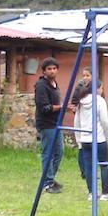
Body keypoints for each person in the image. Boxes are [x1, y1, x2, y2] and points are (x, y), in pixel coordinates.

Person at [73, 79, 108, 200]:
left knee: (89, 166)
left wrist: (79, 139)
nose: (102, 91)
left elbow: (76, 122)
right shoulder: (100, 100)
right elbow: (104, 121)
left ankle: (92, 193)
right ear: (98, 89)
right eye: (102, 88)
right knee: (104, 165)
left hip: (85, 139)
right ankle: (105, 193)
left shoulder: (81, 101)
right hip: (99, 138)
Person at [34, 57, 65, 193]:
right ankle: (47, 183)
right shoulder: (41, 85)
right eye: (49, 69)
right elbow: (44, 108)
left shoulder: (54, 84)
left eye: (54, 68)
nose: (52, 71)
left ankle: (50, 178)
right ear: (44, 71)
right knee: (48, 153)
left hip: (56, 123)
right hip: (46, 124)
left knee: (59, 152)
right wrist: (62, 107)